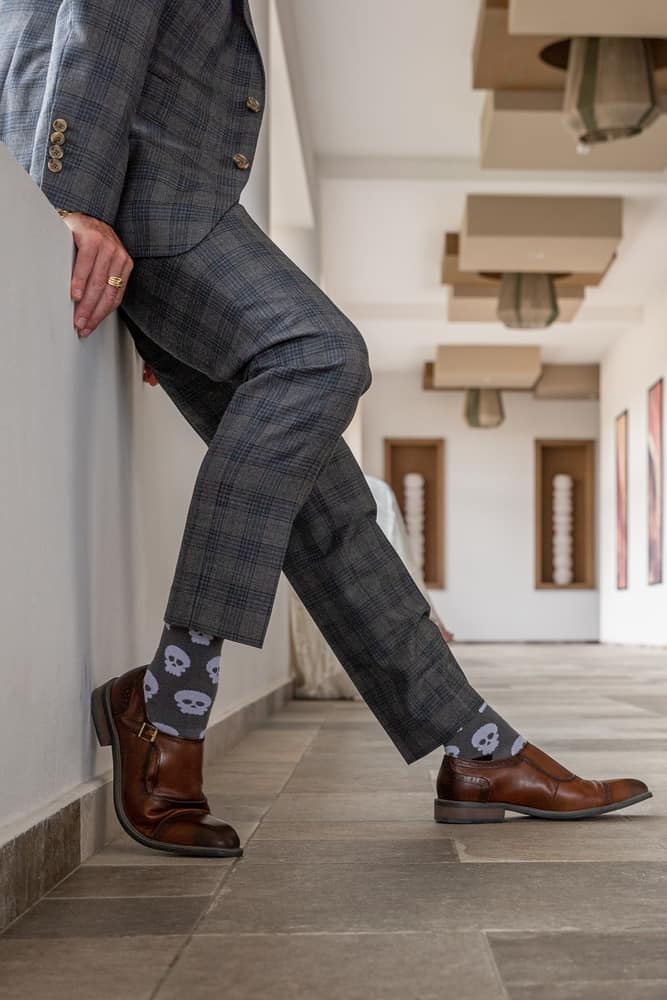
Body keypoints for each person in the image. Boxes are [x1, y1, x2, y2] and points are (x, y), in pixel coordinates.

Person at [0, 0, 650, 859]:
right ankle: (169, 703)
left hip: (168, 211)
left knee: (329, 504)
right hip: (155, 204)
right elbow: (91, 24)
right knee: (323, 355)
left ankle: (476, 747)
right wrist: (67, 204)